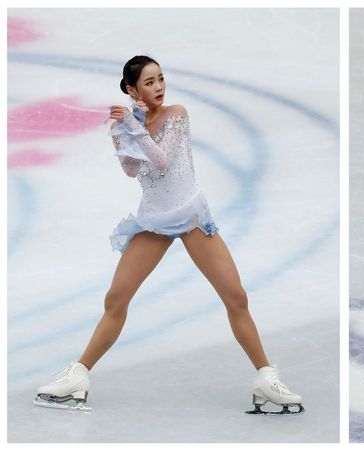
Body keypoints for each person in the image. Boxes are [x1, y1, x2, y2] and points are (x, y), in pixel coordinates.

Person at [33, 55, 303, 415]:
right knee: (116, 300)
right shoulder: (132, 123)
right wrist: (122, 132)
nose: (158, 87)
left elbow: (161, 161)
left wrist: (136, 125)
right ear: (132, 89)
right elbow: (132, 170)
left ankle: (266, 378)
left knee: (235, 297)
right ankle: (78, 375)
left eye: (160, 79)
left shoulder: (177, 114)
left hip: (190, 217)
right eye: (149, 82)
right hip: (154, 221)